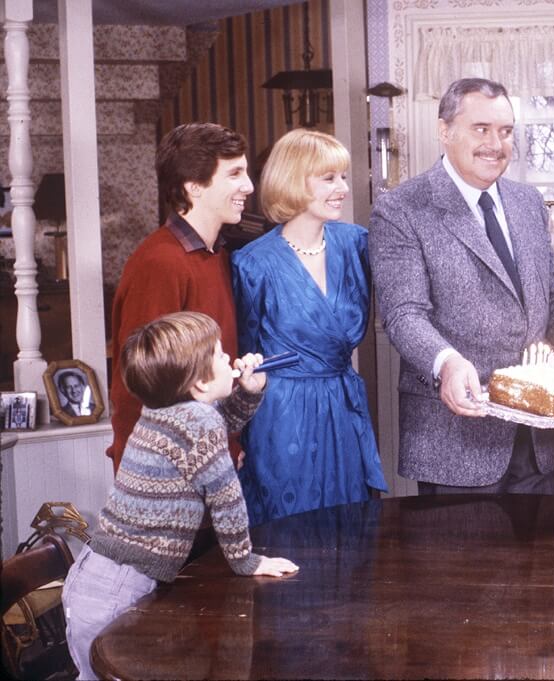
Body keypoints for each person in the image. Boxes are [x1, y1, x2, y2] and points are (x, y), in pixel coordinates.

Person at [369, 77, 554, 495]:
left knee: (538, 562)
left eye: (505, 132)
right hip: (455, 442)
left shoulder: (528, 203)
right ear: (444, 131)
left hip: (535, 437)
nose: (496, 144)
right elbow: (403, 314)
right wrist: (447, 363)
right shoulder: (401, 209)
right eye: (481, 129)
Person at [61, 311, 299, 681]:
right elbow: (226, 498)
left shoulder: (165, 411)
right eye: (219, 355)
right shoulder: (198, 424)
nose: (227, 358)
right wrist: (246, 562)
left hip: (95, 577)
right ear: (200, 385)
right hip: (118, 590)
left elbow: (215, 430)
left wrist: (249, 391)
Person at [232, 128, 388, 525]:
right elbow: (247, 355)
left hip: (342, 405)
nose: (343, 188)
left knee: (350, 529)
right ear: (292, 181)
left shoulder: (356, 244)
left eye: (342, 177)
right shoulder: (253, 263)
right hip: (282, 417)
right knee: (291, 532)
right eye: (329, 178)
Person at [107, 122, 254, 474]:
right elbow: (135, 386)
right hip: (166, 471)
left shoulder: (215, 252)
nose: (248, 187)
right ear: (194, 187)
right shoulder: (160, 262)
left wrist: (227, 443)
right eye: (234, 174)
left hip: (206, 454)